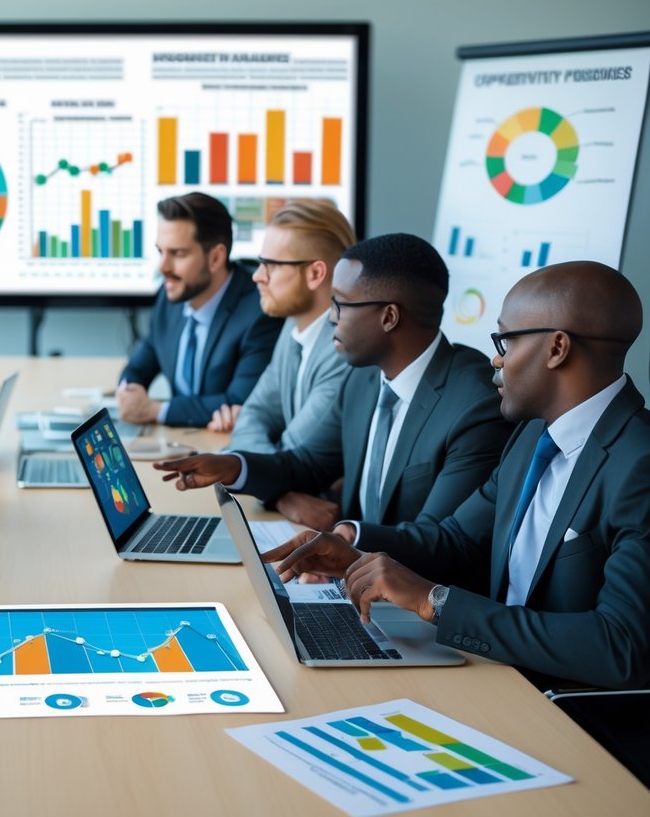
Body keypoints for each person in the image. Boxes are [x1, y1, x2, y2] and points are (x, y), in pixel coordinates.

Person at [260, 261, 650, 783]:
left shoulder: (639, 464)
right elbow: (458, 541)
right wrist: (356, 551)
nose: (495, 358)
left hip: (577, 727)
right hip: (497, 680)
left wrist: (435, 601)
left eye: (506, 341)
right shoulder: (533, 436)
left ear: (557, 348)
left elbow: (619, 646)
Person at [156, 233, 512, 531]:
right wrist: (235, 466)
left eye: (340, 304)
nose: (330, 318)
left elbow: (437, 539)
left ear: (389, 317)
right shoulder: (363, 377)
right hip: (354, 575)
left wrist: (346, 543)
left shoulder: (474, 406)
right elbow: (308, 464)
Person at [117, 192, 283, 427]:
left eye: (178, 253)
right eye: (160, 252)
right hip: (180, 442)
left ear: (215, 258)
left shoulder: (259, 313)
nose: (162, 267)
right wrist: (128, 392)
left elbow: (240, 403)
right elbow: (137, 366)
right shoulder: (169, 297)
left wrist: (156, 410)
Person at [207, 200, 355, 458]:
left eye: (271, 265)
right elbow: (253, 415)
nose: (257, 276)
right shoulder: (293, 327)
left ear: (315, 274)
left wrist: (260, 464)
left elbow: (289, 458)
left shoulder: (343, 351)